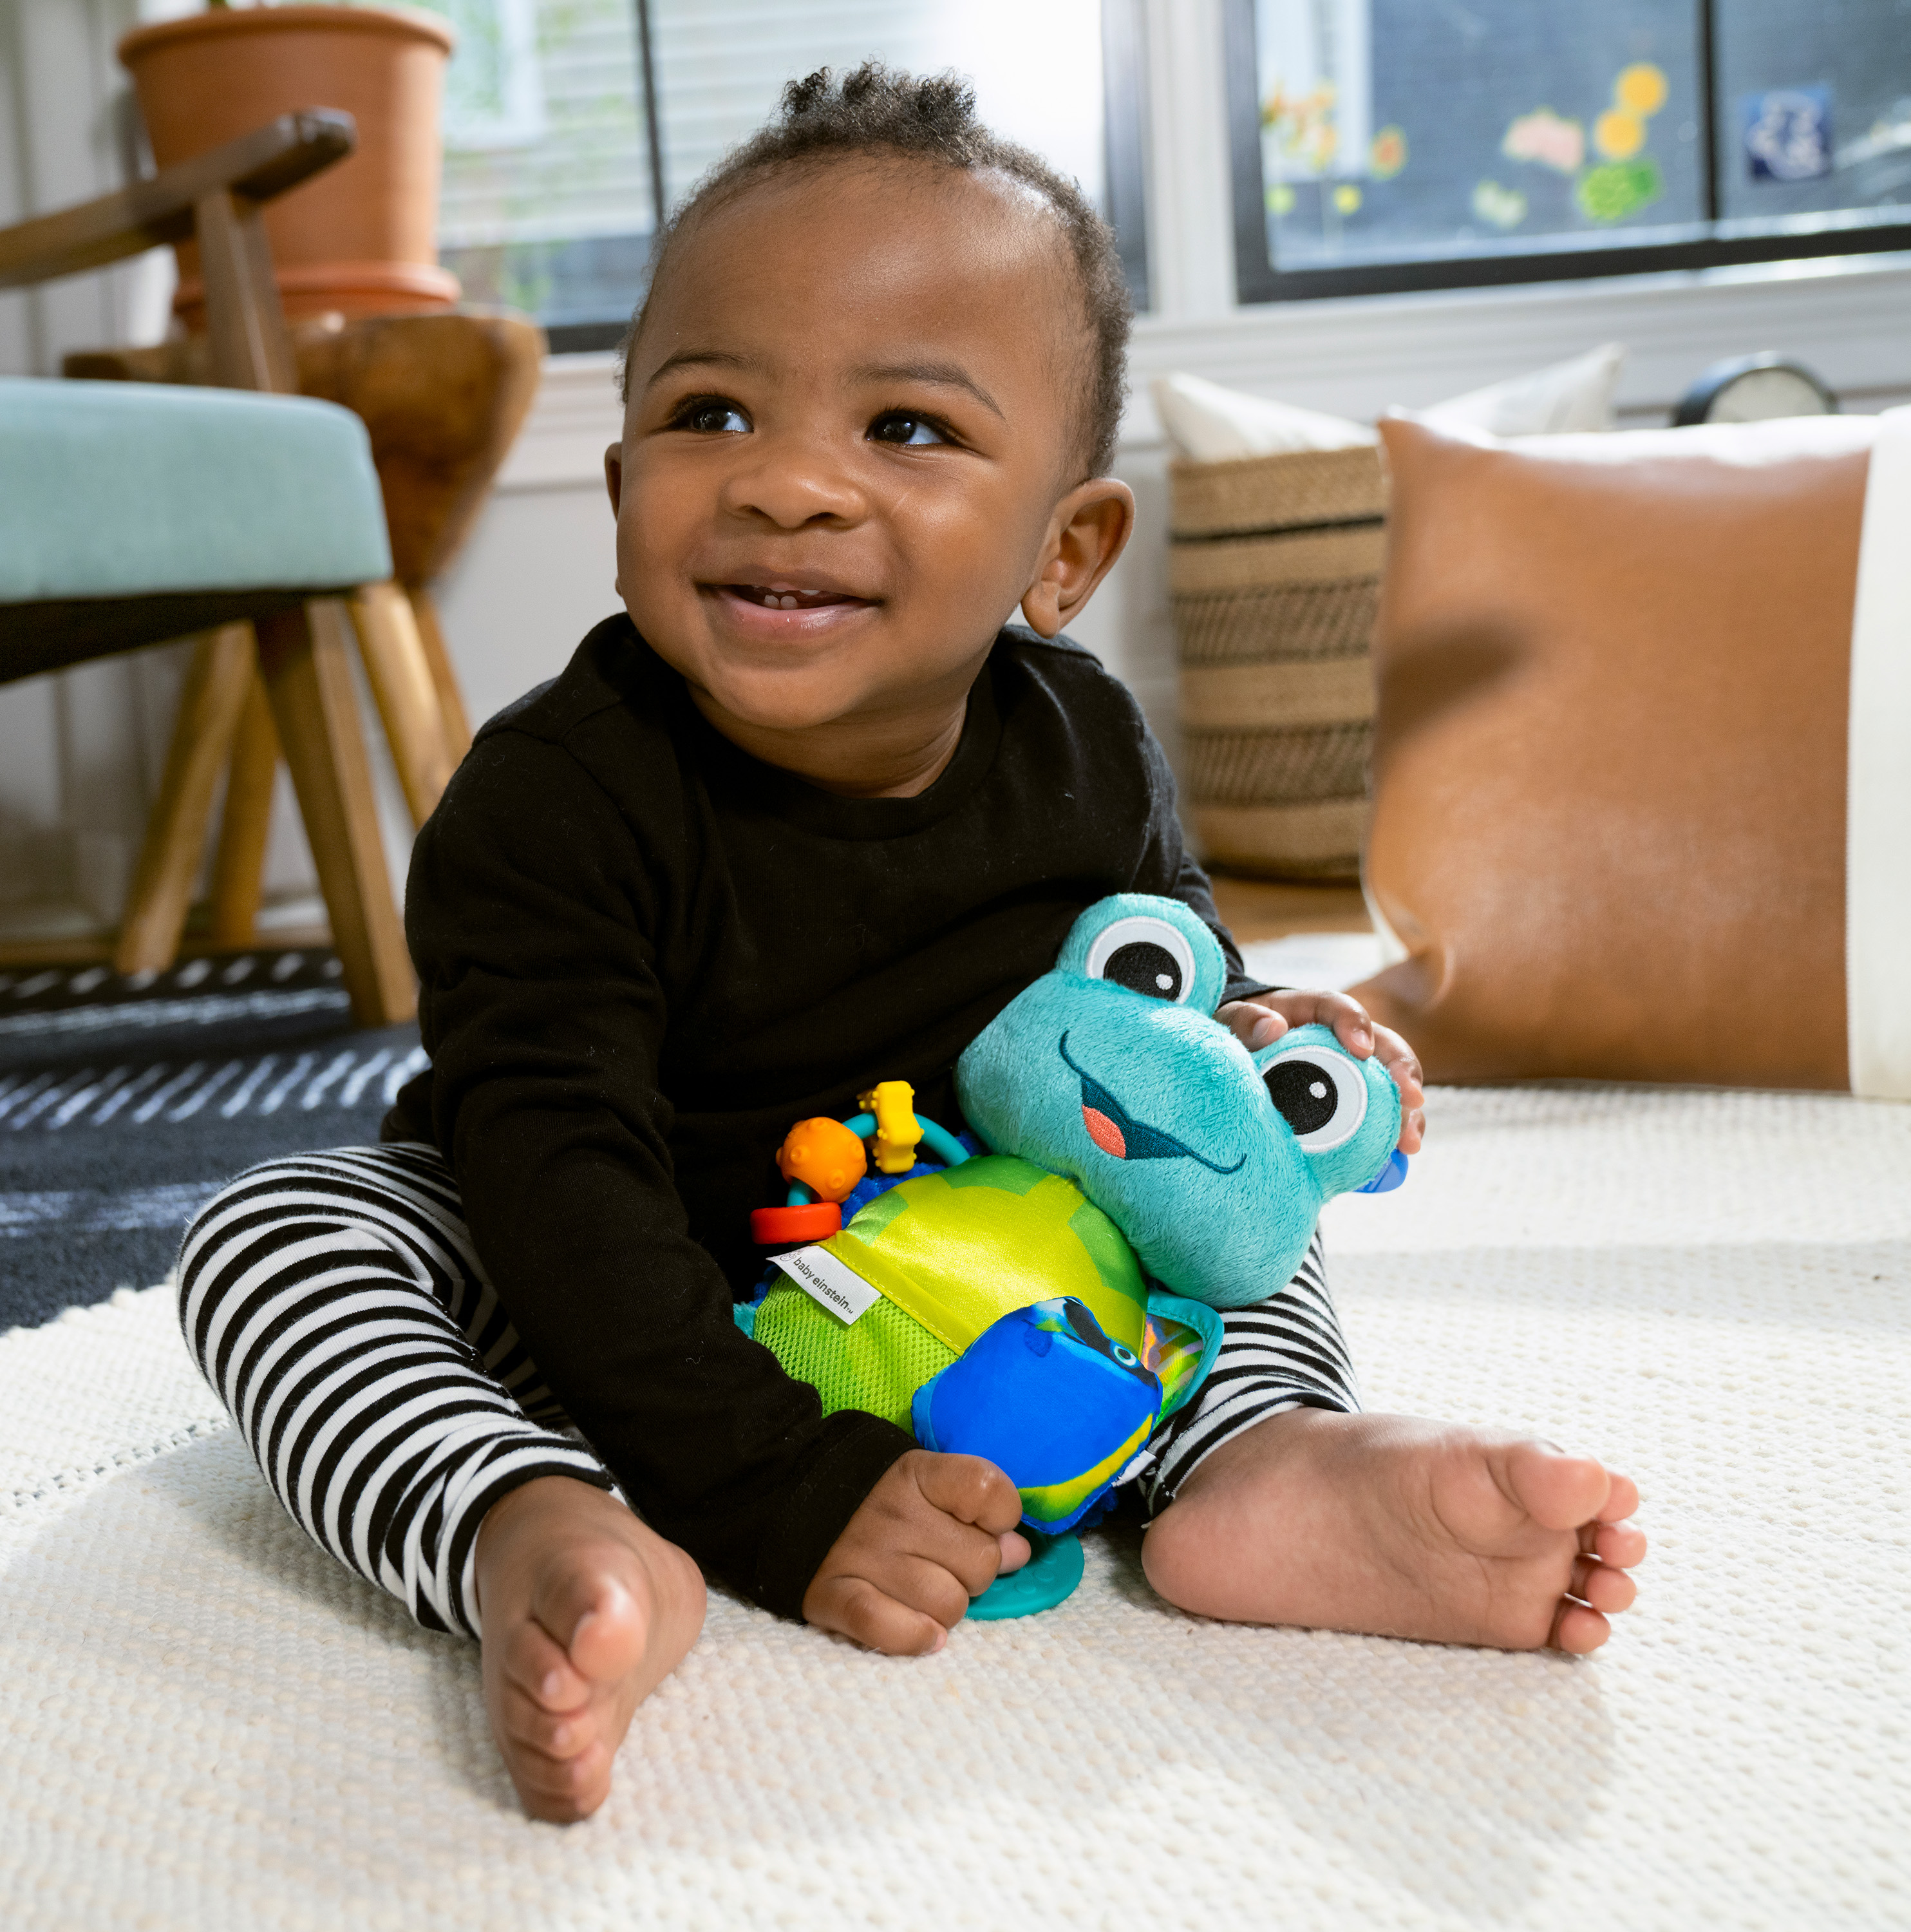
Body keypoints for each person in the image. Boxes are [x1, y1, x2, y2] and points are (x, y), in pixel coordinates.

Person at [176, 66, 1643, 1826]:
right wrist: (774, 1491)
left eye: (910, 430)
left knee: (1217, 1195)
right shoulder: (553, 799)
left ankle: (1257, 1459)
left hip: (993, 1256)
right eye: (713, 413)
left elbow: (1152, 986)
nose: (790, 484)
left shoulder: (1085, 742)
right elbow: (557, 1177)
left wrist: (1263, 1042)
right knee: (281, 1238)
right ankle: (524, 1523)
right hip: (622, 1281)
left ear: (1066, 551)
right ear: (625, 464)